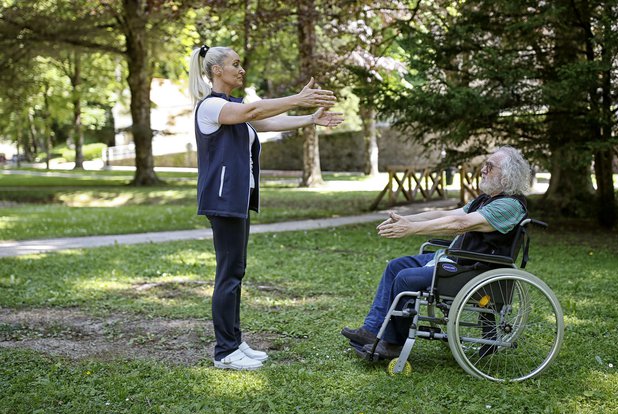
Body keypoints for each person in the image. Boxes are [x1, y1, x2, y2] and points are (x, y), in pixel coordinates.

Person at [189, 44, 343, 370]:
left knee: (236, 271)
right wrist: (297, 98)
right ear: (217, 70)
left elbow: (268, 123)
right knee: (228, 275)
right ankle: (224, 351)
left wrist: (310, 118)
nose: (241, 69)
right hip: (222, 199)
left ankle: (234, 341)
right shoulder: (212, 107)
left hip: (237, 198)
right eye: (235, 64)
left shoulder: (232, 107)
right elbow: (255, 112)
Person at [341, 146, 532, 359]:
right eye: (484, 165)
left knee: (405, 278)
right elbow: (445, 213)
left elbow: (459, 223)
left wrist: (411, 230)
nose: (483, 170)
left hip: (474, 269)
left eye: (489, 166)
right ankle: (371, 330)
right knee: (395, 266)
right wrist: (407, 220)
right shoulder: (485, 200)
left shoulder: (509, 205)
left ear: (507, 175)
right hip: (458, 260)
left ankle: (393, 344)